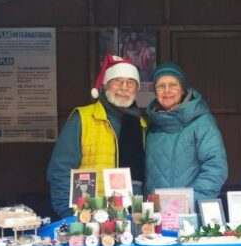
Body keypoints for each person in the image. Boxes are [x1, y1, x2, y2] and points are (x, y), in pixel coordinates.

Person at [47, 55, 146, 218]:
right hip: (87, 217)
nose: (124, 87)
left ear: (136, 89)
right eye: (117, 81)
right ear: (106, 85)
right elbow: (60, 169)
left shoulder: (141, 126)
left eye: (130, 82)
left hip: (128, 217)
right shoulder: (83, 118)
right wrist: (68, 213)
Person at [144, 62, 227, 203]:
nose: (167, 90)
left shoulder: (202, 123)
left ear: (182, 89)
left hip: (189, 211)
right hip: (156, 212)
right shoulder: (151, 126)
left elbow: (215, 167)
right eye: (161, 86)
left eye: (173, 85)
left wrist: (191, 202)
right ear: (155, 91)